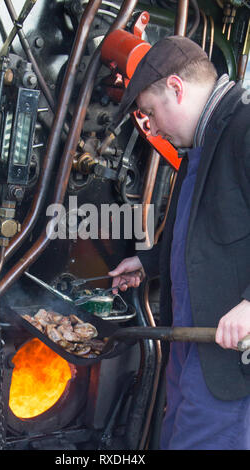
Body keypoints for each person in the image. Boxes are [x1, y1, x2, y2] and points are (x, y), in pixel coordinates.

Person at [108, 35, 250, 450]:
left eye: (151, 112)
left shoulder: (244, 127)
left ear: (176, 88)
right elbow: (206, 232)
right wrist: (150, 263)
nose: (153, 128)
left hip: (227, 367)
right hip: (189, 350)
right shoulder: (201, 143)